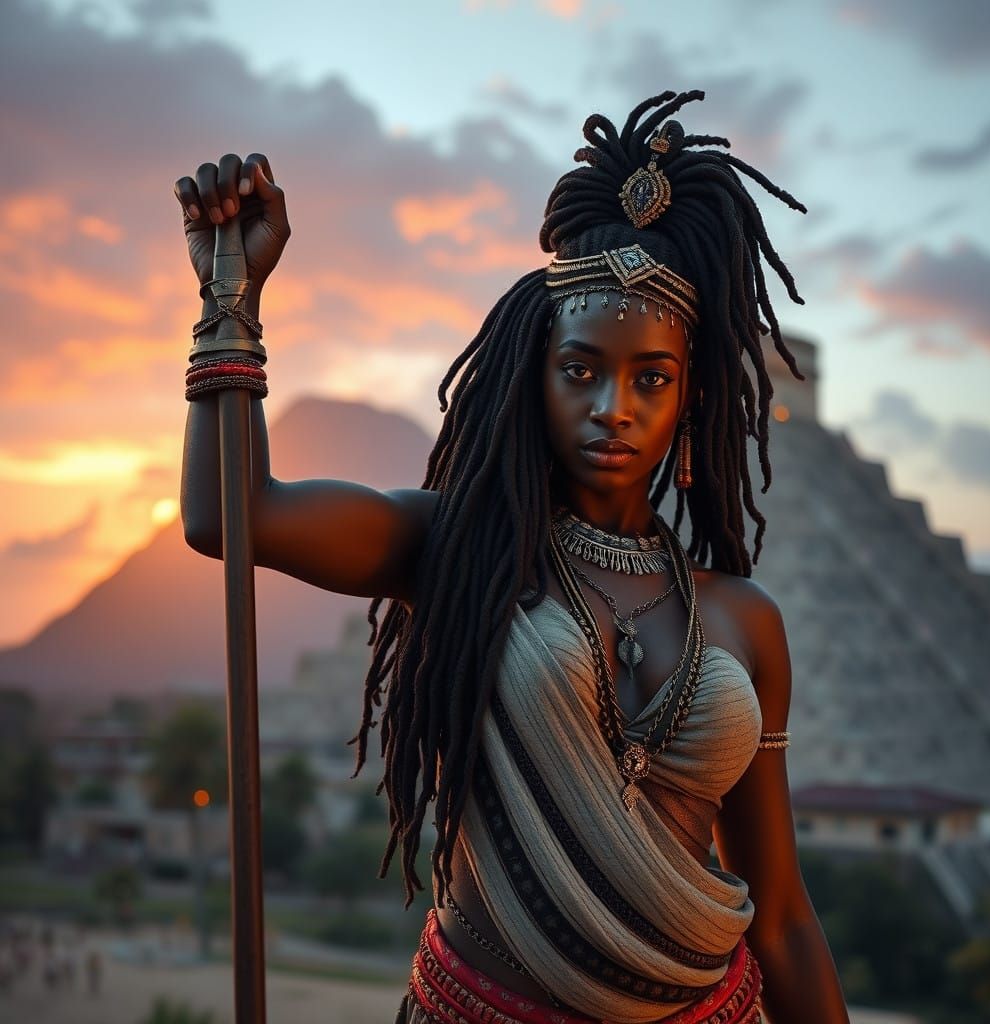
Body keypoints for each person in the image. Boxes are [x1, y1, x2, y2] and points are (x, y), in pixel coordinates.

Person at [176, 89, 849, 1023]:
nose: (612, 404)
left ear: (688, 402)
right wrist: (229, 305)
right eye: (581, 370)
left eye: (649, 378)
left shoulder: (745, 621)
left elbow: (780, 919)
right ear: (534, 377)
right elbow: (231, 516)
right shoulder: (453, 547)